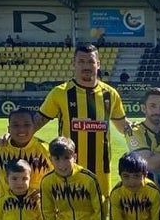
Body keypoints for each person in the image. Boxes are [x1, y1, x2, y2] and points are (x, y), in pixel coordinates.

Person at [35, 44, 133, 194]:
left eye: (91, 62)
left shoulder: (110, 94)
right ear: (74, 64)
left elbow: (122, 126)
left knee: (100, 214)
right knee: (69, 213)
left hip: (101, 170)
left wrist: (143, 128)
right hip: (68, 168)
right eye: (81, 62)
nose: (86, 66)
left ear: (98, 64)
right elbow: (36, 122)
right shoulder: (60, 93)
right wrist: (10, 135)